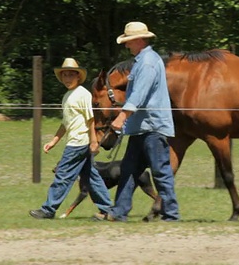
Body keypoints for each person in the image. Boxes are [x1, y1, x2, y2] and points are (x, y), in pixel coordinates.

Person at [94, 21, 180, 222]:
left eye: (128, 41)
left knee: (160, 171)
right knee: (129, 170)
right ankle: (119, 212)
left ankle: (171, 214)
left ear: (139, 40)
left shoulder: (148, 62)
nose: (126, 45)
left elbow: (139, 94)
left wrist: (123, 116)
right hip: (141, 127)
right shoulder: (142, 61)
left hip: (152, 127)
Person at [29, 58, 112, 219]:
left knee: (63, 175)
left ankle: (48, 209)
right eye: (64, 76)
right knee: (91, 176)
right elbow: (65, 123)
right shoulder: (67, 96)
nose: (67, 79)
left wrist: (94, 142)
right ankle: (108, 209)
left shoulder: (82, 94)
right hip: (76, 141)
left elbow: (90, 119)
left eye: (70, 76)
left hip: (78, 142)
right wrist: (54, 141)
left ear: (78, 77)